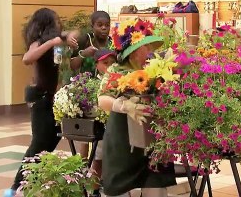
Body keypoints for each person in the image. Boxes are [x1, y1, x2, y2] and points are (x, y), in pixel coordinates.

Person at [3, 8, 78, 197]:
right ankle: (15, 187)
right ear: (46, 25)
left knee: (55, 135)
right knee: (39, 141)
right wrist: (54, 41)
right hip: (38, 96)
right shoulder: (38, 43)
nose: (59, 24)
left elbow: (61, 62)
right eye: (55, 21)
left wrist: (65, 43)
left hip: (50, 96)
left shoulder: (56, 44)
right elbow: (27, 59)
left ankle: (35, 176)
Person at [97, 25, 176, 197]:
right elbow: (102, 99)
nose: (149, 51)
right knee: (120, 191)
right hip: (123, 143)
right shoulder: (116, 72)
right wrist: (125, 106)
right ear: (133, 52)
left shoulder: (154, 71)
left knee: (157, 189)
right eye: (145, 47)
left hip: (153, 143)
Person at [70, 11, 112, 161]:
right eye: (100, 25)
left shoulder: (112, 43)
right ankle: (82, 164)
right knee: (87, 133)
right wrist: (83, 54)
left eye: (107, 25)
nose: (104, 28)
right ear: (92, 26)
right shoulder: (86, 40)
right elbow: (72, 65)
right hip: (87, 91)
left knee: (102, 133)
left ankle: (99, 163)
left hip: (107, 91)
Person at [90, 49, 117, 197]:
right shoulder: (94, 83)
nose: (109, 66)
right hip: (100, 125)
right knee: (98, 159)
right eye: (105, 63)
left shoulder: (118, 78)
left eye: (112, 62)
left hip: (115, 125)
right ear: (96, 65)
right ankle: (94, 191)